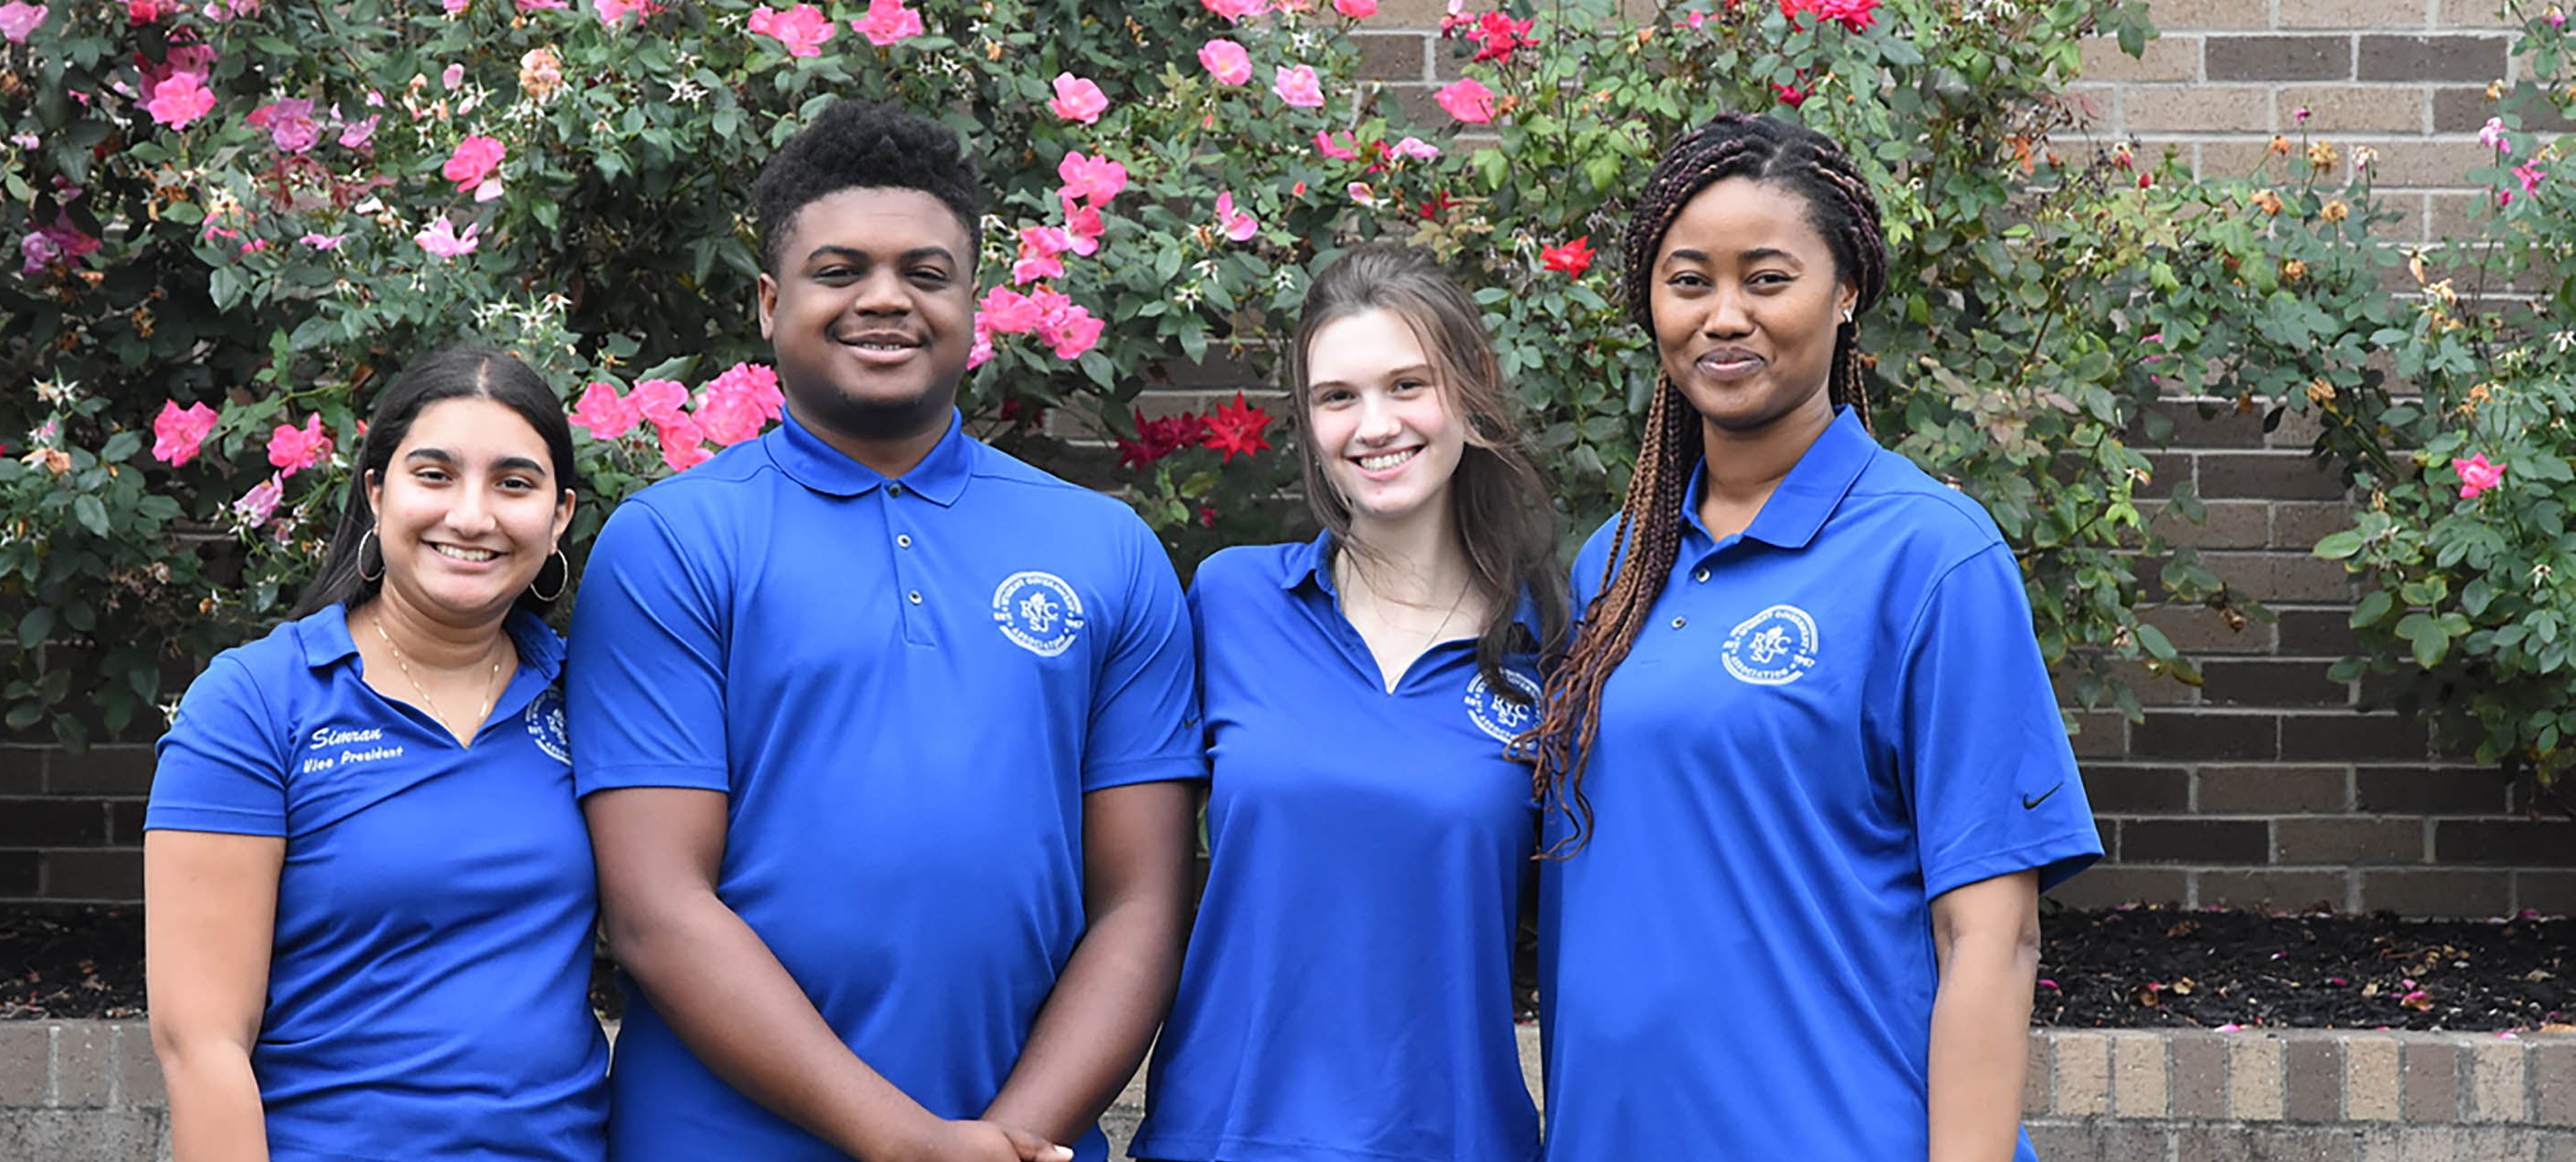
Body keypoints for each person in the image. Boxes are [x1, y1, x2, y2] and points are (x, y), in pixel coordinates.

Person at [565, 100, 1201, 1162]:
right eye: (839, 270)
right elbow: (655, 909)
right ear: (771, 302)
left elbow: (1141, 900)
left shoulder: (1105, 547)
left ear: (973, 306)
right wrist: (907, 1144)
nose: (885, 299)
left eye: (926, 271)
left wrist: (1006, 1142)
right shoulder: (672, 543)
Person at [1518, 112, 2104, 1162]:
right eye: (1689, 280)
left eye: (1768, 278)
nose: (1724, 315)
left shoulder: (1930, 557)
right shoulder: (1613, 565)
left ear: (1845, 296)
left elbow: (1994, 937)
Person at [1131, 243, 1564, 1162]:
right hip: (1226, 1132)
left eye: (1408, 384)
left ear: (1470, 390)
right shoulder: (1231, 601)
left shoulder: (1555, 646)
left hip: (1455, 1138)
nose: (1375, 425)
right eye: (1338, 397)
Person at [143, 347, 606, 1162]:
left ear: (559, 515)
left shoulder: (595, 700)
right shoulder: (257, 701)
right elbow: (201, 1043)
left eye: (514, 483)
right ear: (376, 491)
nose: (472, 516)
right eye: (434, 475)